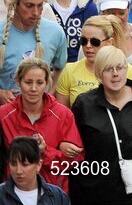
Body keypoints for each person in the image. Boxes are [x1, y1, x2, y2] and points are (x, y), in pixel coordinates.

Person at [69, 45, 132, 205]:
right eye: (108, 69)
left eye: (120, 68)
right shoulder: (84, 104)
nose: (115, 74)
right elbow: (73, 149)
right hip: (95, 192)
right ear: (99, 73)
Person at [0, 58, 82, 191]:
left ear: (47, 84)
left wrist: (46, 152)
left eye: (39, 83)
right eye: (28, 82)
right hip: (13, 194)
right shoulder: (4, 115)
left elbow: (76, 161)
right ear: (18, 82)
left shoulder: (63, 114)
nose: (33, 88)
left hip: (52, 194)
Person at [0, 136, 71, 205]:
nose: (18, 171)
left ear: (38, 165)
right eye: (13, 164)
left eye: (25, 165)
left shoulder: (58, 196)